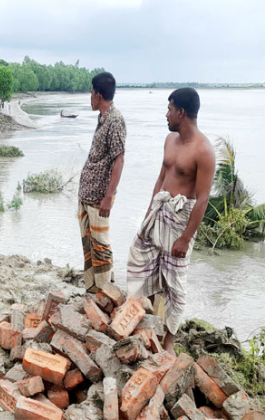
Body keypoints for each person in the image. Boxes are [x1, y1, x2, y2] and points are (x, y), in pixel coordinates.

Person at [127, 88, 215, 355]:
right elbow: (160, 178)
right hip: (159, 213)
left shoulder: (204, 150)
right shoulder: (169, 140)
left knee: (174, 283)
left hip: (180, 221)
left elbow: (201, 200)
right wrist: (147, 215)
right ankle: (150, 324)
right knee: (143, 264)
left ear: (181, 112)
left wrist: (186, 237)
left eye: (169, 109)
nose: (166, 114)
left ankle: (169, 342)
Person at [78, 72, 126, 292]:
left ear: (97, 94)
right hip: (87, 195)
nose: (90, 98)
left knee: (101, 246)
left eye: (91, 93)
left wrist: (108, 196)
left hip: (99, 197)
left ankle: (106, 293)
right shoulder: (103, 118)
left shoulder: (115, 120)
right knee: (90, 244)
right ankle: (93, 289)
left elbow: (119, 159)